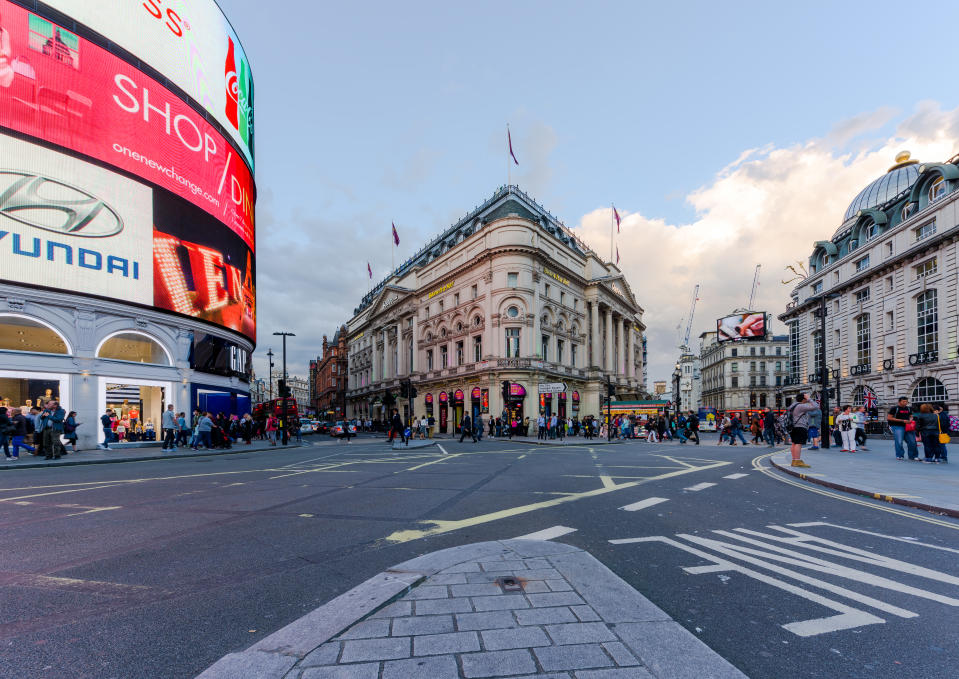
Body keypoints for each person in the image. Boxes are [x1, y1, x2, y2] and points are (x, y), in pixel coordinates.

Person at [785, 393, 819, 467]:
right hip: (800, 426)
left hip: (793, 427)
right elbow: (816, 406)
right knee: (798, 443)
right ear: (804, 399)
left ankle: (794, 460)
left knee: (794, 443)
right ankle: (797, 461)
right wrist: (809, 398)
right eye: (806, 398)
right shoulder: (801, 406)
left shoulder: (793, 405)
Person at [887, 397, 919, 461]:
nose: (905, 403)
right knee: (899, 442)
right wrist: (902, 420)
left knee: (912, 442)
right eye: (903, 401)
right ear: (899, 402)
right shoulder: (894, 408)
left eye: (906, 401)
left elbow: (910, 416)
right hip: (897, 426)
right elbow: (889, 418)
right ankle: (900, 455)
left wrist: (910, 419)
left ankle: (913, 456)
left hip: (908, 426)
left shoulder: (908, 408)